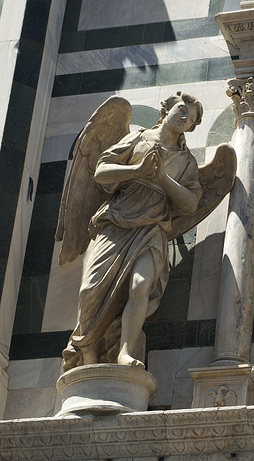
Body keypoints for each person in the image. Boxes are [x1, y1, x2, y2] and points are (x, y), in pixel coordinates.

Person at [62, 92, 204, 371]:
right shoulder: (138, 138)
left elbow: (189, 204)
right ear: (166, 109)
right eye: (182, 110)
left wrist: (161, 178)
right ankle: (87, 351)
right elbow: (101, 172)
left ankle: (125, 351)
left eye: (192, 119)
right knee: (90, 290)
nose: (185, 118)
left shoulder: (187, 162)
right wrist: (138, 170)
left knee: (141, 285)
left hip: (152, 230)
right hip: (116, 224)